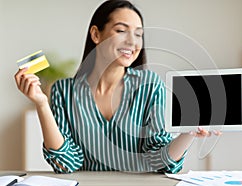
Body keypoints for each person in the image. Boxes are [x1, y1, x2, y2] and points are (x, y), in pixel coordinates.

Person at [14, 0, 220, 174]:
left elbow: (161, 163)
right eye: (121, 30)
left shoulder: (150, 86)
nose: (132, 41)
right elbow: (66, 164)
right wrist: (42, 104)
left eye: (138, 34)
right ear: (96, 34)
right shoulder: (63, 91)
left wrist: (188, 133)